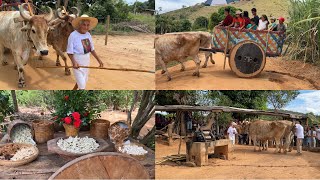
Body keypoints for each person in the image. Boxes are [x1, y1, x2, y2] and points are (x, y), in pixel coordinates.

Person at [67, 14, 104, 90]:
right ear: (79, 25)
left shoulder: (88, 35)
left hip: (86, 60)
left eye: (88, 25)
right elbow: (69, 51)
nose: (86, 27)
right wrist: (74, 62)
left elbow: (92, 49)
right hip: (77, 61)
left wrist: (99, 60)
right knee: (82, 86)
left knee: (83, 80)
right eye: (84, 25)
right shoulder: (73, 35)